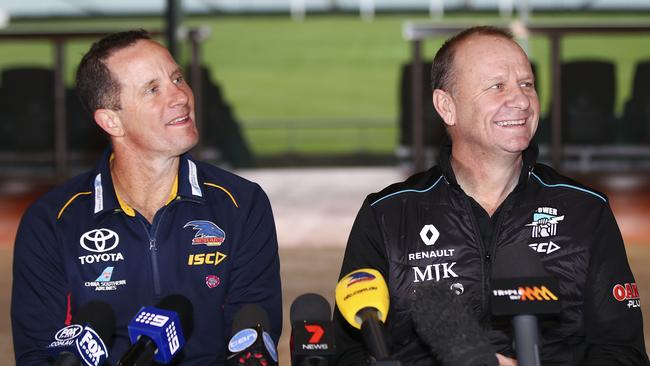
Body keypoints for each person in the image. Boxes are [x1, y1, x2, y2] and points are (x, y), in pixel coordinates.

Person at [334, 26, 649, 365]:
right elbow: (349, 354)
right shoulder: (387, 215)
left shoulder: (586, 210)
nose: (521, 100)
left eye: (527, 84)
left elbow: (623, 353)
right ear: (446, 106)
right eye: (497, 86)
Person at [11, 30, 282, 365]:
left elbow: (252, 338)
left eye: (178, 78)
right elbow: (40, 352)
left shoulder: (242, 204)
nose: (180, 96)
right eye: (153, 89)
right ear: (111, 120)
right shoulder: (52, 221)